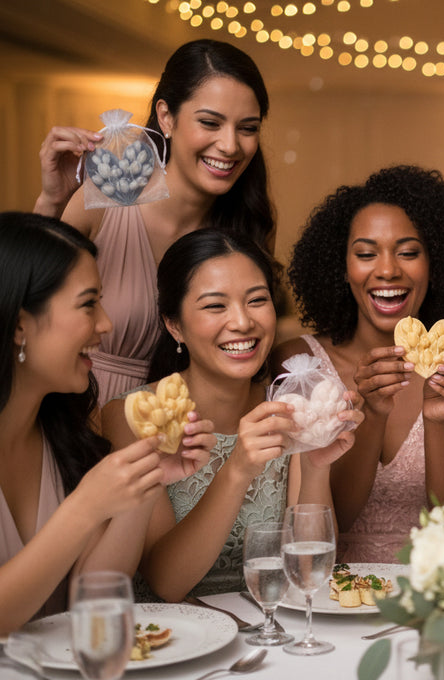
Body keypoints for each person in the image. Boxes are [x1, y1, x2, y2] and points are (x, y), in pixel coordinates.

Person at [101, 230, 361, 601]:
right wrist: (237, 469)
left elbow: (308, 575)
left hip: (268, 632)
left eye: (257, 300)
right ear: (174, 325)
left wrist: (316, 465)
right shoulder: (138, 416)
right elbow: (166, 584)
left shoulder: (287, 403)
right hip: (174, 640)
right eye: (215, 306)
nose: (242, 322)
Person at [0, 212, 214, 633]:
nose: (106, 324)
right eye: (88, 303)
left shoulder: (64, 434)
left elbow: (92, 602)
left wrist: (148, 477)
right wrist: (84, 507)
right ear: (21, 324)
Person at [34, 39, 275, 405]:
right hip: (80, 418)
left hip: (186, 434)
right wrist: (52, 200)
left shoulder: (247, 226)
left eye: (248, 128)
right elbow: (24, 304)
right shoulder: (105, 201)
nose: (230, 145)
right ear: (166, 117)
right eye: (210, 122)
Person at [276, 165, 444, 563]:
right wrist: (373, 412)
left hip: (433, 593)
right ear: (342, 268)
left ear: (436, 264)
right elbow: (332, 521)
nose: (388, 270)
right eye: (365, 254)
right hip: (331, 595)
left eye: (409, 252)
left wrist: (436, 421)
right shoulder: (300, 363)